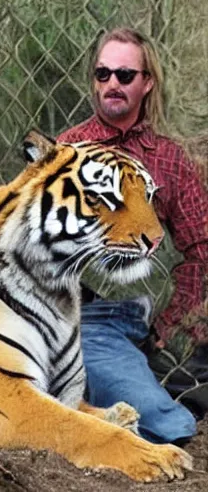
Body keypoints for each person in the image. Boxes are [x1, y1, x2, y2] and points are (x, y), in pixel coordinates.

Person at [57, 27, 208, 444]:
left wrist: (172, 323)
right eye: (102, 74)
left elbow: (200, 249)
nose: (111, 85)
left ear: (147, 82)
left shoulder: (171, 159)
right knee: (167, 425)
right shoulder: (68, 151)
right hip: (87, 318)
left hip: (149, 320)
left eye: (124, 76)